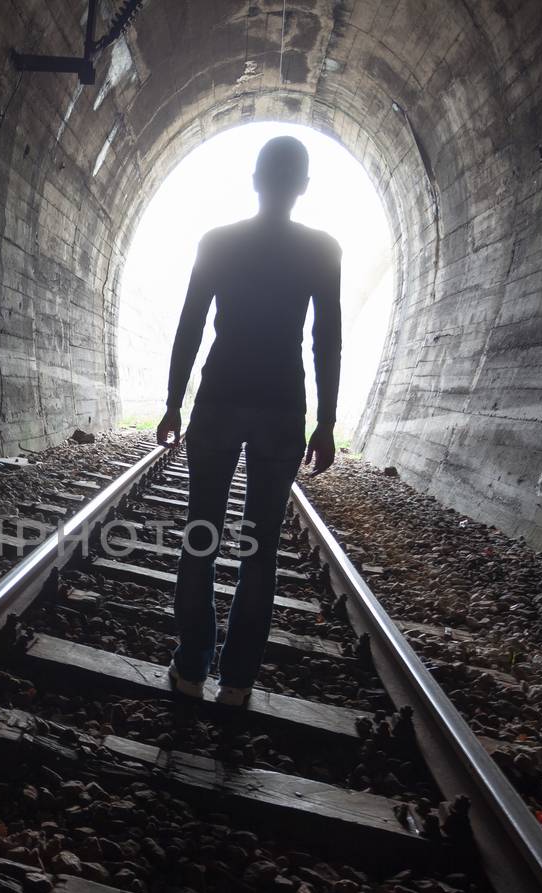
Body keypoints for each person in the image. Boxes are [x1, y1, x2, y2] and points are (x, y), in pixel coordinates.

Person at [155, 135, 341, 708]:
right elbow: (325, 341)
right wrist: (326, 421)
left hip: (218, 399)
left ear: (256, 180)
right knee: (260, 550)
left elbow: (191, 325)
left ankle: (190, 670)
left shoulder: (219, 242)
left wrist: (173, 402)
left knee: (200, 536)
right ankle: (237, 684)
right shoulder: (321, 249)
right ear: (303, 187)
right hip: (282, 408)